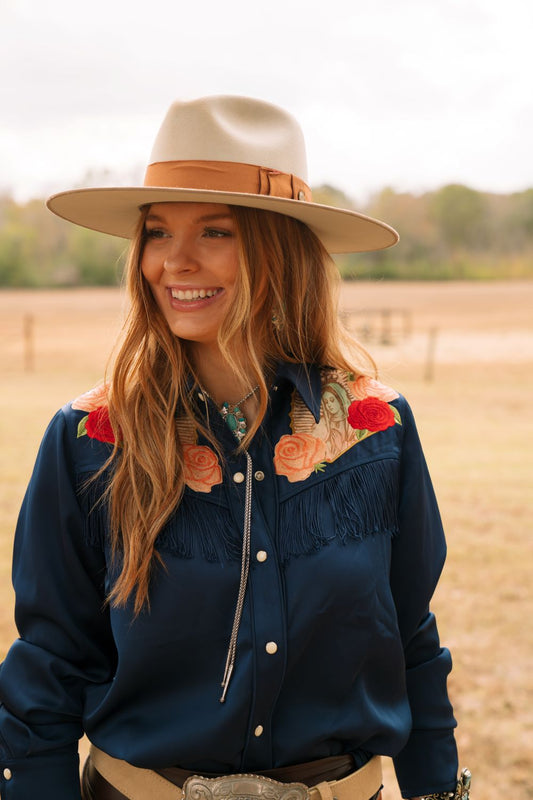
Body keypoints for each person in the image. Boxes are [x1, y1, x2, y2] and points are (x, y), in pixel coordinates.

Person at [0, 96, 470, 800]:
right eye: (157, 233)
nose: (174, 261)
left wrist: (436, 786)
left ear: (280, 250)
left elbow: (409, 637)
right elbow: (49, 663)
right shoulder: (87, 439)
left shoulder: (378, 428)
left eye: (214, 231)